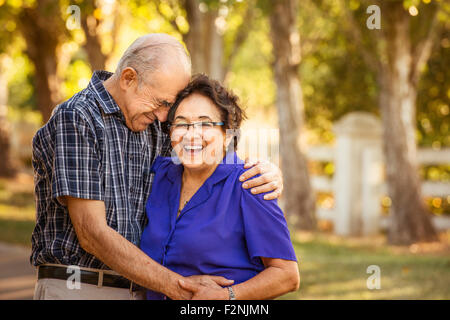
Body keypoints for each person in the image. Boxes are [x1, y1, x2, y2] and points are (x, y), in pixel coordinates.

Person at [31, 34, 284, 300]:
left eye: (170, 107)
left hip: (142, 289)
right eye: (162, 103)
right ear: (129, 78)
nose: (165, 117)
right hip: (82, 288)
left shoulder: (151, 122)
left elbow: (205, 154)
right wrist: (183, 289)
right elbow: (91, 234)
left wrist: (262, 171)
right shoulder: (77, 118)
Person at [140, 74, 299, 300]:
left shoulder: (249, 183)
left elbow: (287, 275)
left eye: (205, 124)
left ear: (227, 134)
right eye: (182, 124)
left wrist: (228, 296)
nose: (191, 134)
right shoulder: (160, 175)